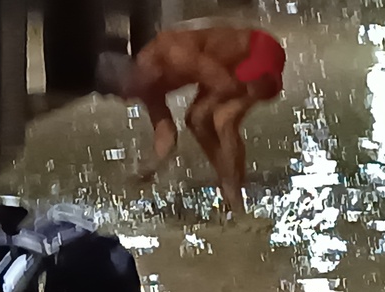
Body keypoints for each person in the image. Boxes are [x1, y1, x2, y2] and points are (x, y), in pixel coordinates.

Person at [96, 26, 286, 216]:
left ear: (135, 69)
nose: (127, 100)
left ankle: (236, 202)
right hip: (225, 69)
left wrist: (201, 110)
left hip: (259, 50)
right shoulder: (146, 87)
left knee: (222, 119)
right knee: (195, 120)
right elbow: (167, 137)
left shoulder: (173, 52)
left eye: (123, 92)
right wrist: (148, 168)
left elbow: (225, 84)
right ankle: (229, 190)